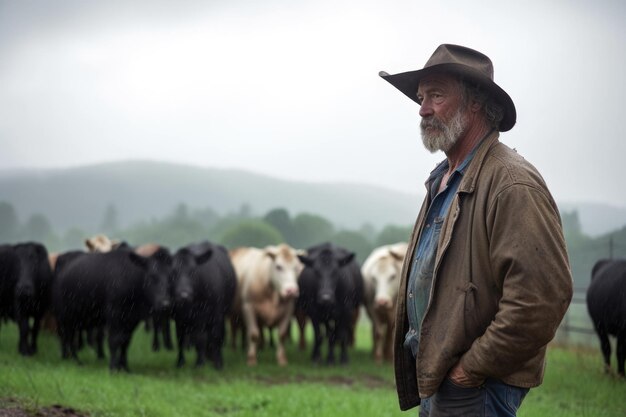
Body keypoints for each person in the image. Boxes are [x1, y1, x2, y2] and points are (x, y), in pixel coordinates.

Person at [379, 44, 573, 416]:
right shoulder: (444, 178)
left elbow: (541, 298)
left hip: (477, 387)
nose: (423, 109)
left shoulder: (512, 183)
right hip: (441, 377)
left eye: (436, 95)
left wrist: (470, 369)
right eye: (421, 97)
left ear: (475, 103)